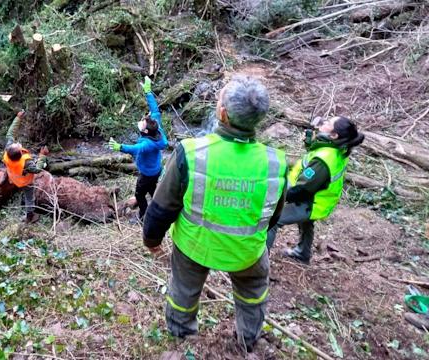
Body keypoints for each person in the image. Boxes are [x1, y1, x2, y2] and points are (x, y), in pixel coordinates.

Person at [142, 75, 287, 352]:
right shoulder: (275, 161)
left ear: (222, 113)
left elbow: (162, 207)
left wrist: (152, 240)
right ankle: (248, 340)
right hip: (247, 253)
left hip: (194, 246)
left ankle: (183, 337)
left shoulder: (191, 151)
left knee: (183, 292)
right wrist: (261, 244)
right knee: (253, 295)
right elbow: (274, 216)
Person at [266, 116, 365, 264]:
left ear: (334, 135)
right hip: (322, 199)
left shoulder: (322, 161)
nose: (324, 122)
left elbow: (302, 190)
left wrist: (280, 196)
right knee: (306, 223)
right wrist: (309, 140)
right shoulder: (339, 148)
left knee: (271, 221)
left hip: (309, 201)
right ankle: (302, 253)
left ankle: (258, 262)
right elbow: (318, 150)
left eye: (328, 123)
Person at [106, 76, 168, 221]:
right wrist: (148, 92)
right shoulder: (156, 125)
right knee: (153, 189)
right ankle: (160, 208)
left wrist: (119, 147)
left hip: (147, 173)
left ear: (145, 132)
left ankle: (143, 215)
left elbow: (135, 149)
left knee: (140, 194)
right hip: (156, 169)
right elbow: (155, 109)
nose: (141, 122)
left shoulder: (146, 144)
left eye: (142, 124)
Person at [2, 110, 48, 224]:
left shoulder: (8, 150)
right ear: (20, 154)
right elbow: (37, 169)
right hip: (25, 181)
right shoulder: (26, 163)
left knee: (10, 173)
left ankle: (6, 179)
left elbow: (10, 134)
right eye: (18, 146)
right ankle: (30, 216)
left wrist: (18, 118)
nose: (17, 143)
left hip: (13, 176)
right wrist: (42, 156)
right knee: (29, 197)